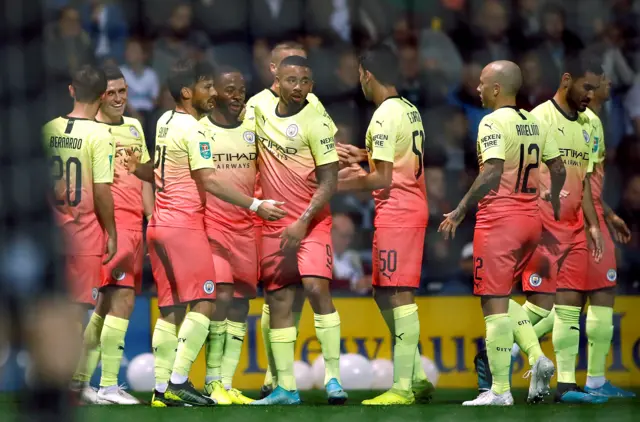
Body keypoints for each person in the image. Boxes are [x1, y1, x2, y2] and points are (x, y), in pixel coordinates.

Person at [124, 59, 286, 407]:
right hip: (184, 225)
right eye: (207, 87)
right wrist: (256, 206)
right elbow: (209, 180)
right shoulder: (195, 130)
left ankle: (159, 390)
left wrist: (135, 168)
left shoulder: (164, 121)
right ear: (187, 92)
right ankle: (178, 381)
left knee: (169, 308)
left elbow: (156, 168)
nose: (212, 93)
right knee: (205, 301)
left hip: (158, 227)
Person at [439, 60, 566, 406]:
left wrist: (462, 207)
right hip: (531, 221)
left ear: (497, 89)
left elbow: (492, 171)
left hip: (499, 222)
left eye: (482, 84)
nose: (477, 89)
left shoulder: (492, 122)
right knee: (506, 299)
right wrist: (551, 201)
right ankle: (536, 356)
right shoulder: (535, 121)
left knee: (493, 304)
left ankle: (500, 391)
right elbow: (557, 167)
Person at [335, 44, 434, 406]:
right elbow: (398, 156)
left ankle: (402, 387)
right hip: (407, 207)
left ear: (367, 75)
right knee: (382, 291)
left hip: (399, 211)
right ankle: (418, 377)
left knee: (399, 294)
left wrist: (338, 183)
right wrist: (362, 154)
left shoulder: (382, 116)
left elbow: (382, 181)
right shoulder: (409, 109)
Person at [243, 41, 339, 399]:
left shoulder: (315, 112)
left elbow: (329, 165)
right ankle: (279, 381)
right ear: (275, 74)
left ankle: (333, 379)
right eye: (290, 76)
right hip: (266, 216)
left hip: (309, 218)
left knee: (314, 288)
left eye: (304, 78)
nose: (298, 85)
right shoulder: (254, 106)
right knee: (277, 298)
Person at [519, 55, 608, 404]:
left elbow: (585, 183)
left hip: (574, 227)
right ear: (567, 79)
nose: (590, 95)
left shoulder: (588, 124)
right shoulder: (539, 118)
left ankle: (567, 386)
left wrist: (594, 226)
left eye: (595, 90)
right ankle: (496, 348)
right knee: (540, 307)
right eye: (586, 87)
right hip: (542, 226)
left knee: (571, 306)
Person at [70, 65, 154, 405]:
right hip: (109, 228)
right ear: (100, 96)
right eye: (112, 93)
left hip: (135, 226)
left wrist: (152, 219)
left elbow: (146, 175)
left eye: (123, 91)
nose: (119, 99)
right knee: (119, 301)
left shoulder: (134, 127)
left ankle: (80, 382)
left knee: (105, 307)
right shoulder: (91, 131)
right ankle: (105, 385)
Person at [43, 64, 117, 355]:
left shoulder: (48, 128)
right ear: (102, 95)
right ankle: (69, 381)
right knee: (78, 309)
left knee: (51, 306)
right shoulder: (100, 136)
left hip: (50, 232)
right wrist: (111, 232)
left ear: (71, 90)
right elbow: (101, 190)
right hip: (83, 233)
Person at [199, 66, 258, 405]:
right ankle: (210, 381)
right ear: (214, 94)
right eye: (230, 89)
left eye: (242, 89)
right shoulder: (200, 131)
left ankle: (227, 382)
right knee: (221, 296)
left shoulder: (253, 127)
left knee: (241, 304)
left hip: (247, 229)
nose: (237, 95)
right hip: (213, 226)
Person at [580, 77, 634, 398]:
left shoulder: (593, 122)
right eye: (602, 78)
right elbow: (582, 182)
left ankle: (595, 381)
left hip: (592, 215)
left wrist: (610, 215)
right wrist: (594, 223)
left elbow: (591, 185)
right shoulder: (585, 123)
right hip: (584, 220)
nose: (610, 82)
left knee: (595, 293)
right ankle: (502, 352)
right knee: (583, 297)